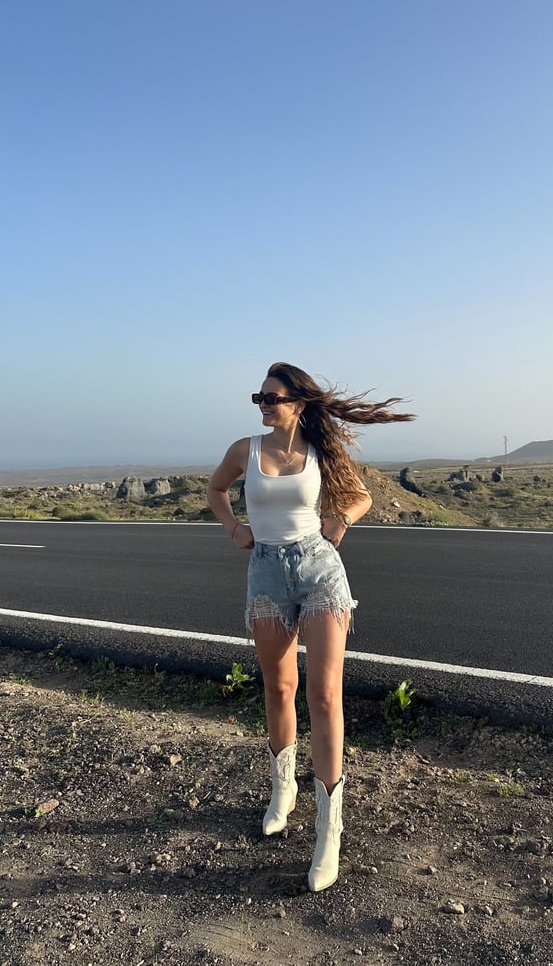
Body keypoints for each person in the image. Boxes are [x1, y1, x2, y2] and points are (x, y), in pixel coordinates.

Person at [206, 361, 415, 892]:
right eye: (258, 398)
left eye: (272, 398)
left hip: (319, 569)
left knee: (323, 695)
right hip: (266, 573)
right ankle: (284, 790)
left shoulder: (322, 451)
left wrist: (342, 519)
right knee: (279, 687)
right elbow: (216, 490)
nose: (263, 405)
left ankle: (329, 829)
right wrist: (233, 528)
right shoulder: (245, 450)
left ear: (297, 404)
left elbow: (361, 495)